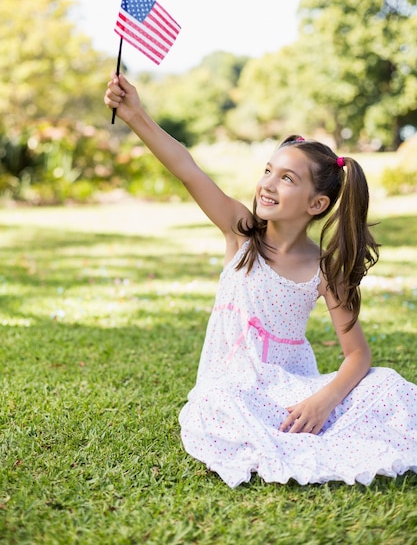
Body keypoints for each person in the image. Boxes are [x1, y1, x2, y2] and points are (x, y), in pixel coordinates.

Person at [104, 72, 417, 488]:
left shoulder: (323, 270)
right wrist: (134, 114)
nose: (267, 183)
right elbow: (187, 168)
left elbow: (357, 355)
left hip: (290, 391)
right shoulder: (241, 232)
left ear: (317, 203)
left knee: (389, 387)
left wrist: (324, 400)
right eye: (268, 170)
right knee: (216, 402)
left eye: (287, 178)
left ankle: (311, 426)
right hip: (233, 386)